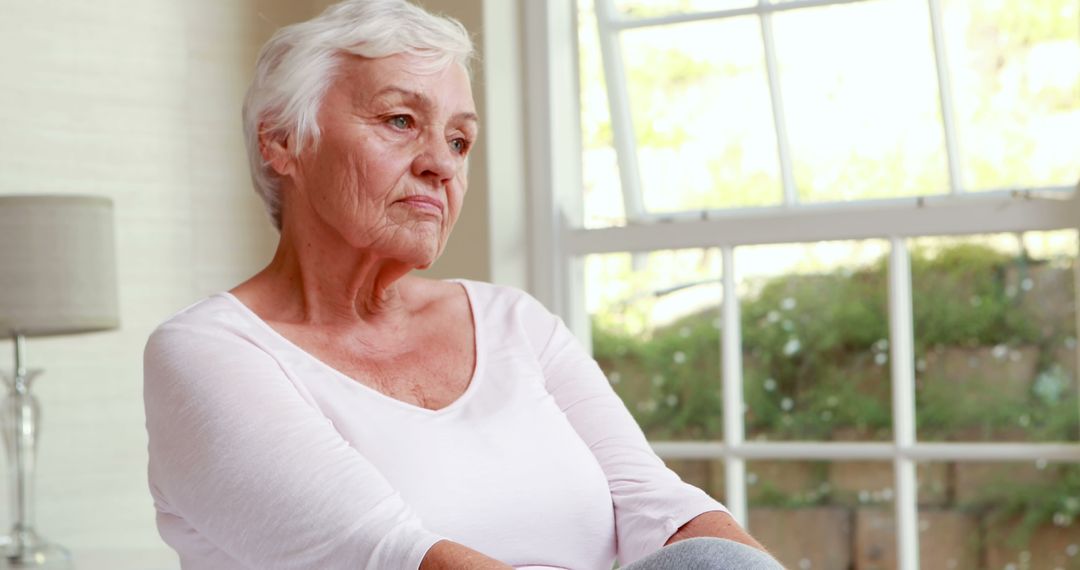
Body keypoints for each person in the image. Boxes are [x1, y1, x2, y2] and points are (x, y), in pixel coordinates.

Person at [143, 1, 785, 569]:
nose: (441, 164)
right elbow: (386, 555)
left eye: (459, 140)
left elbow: (661, 508)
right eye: (399, 121)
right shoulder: (204, 352)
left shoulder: (513, 321)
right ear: (283, 140)